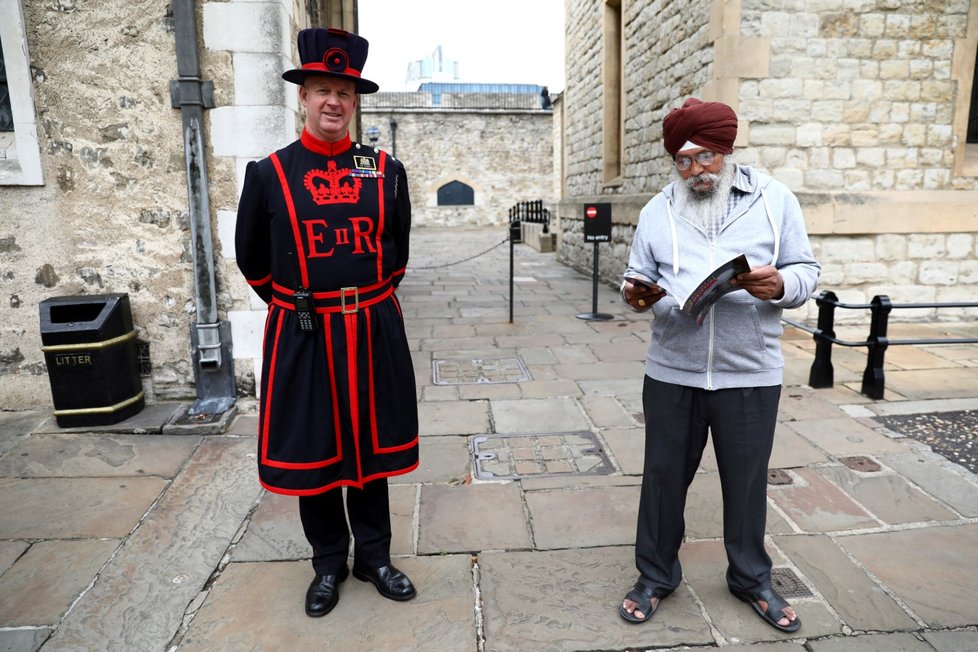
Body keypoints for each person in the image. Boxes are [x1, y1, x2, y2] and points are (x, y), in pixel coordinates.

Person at [235, 27, 419, 618]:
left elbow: (397, 251)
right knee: (316, 451)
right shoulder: (269, 173)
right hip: (304, 331)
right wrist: (297, 307)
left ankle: (375, 557)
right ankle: (327, 564)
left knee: (371, 447)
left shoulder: (385, 170)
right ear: (303, 97)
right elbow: (251, 258)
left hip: (370, 327)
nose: (333, 102)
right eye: (321, 90)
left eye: (343, 91)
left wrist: (362, 303)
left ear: (355, 98)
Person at [618, 98, 820, 633]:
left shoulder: (775, 201)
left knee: (747, 482)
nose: (695, 171)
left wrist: (781, 285)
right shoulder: (658, 209)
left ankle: (751, 579)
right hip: (671, 371)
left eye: (705, 157)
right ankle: (655, 576)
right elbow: (635, 276)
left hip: (749, 372)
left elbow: (805, 271)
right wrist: (639, 296)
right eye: (683, 161)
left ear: (725, 151)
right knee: (663, 480)